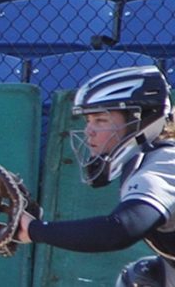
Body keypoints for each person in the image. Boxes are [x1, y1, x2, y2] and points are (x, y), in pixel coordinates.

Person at [16, 65, 175, 287]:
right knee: (143, 276)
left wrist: (34, 230)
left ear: (140, 119)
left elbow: (121, 230)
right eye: (88, 120)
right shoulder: (148, 159)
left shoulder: (165, 163)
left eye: (100, 120)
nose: (89, 131)